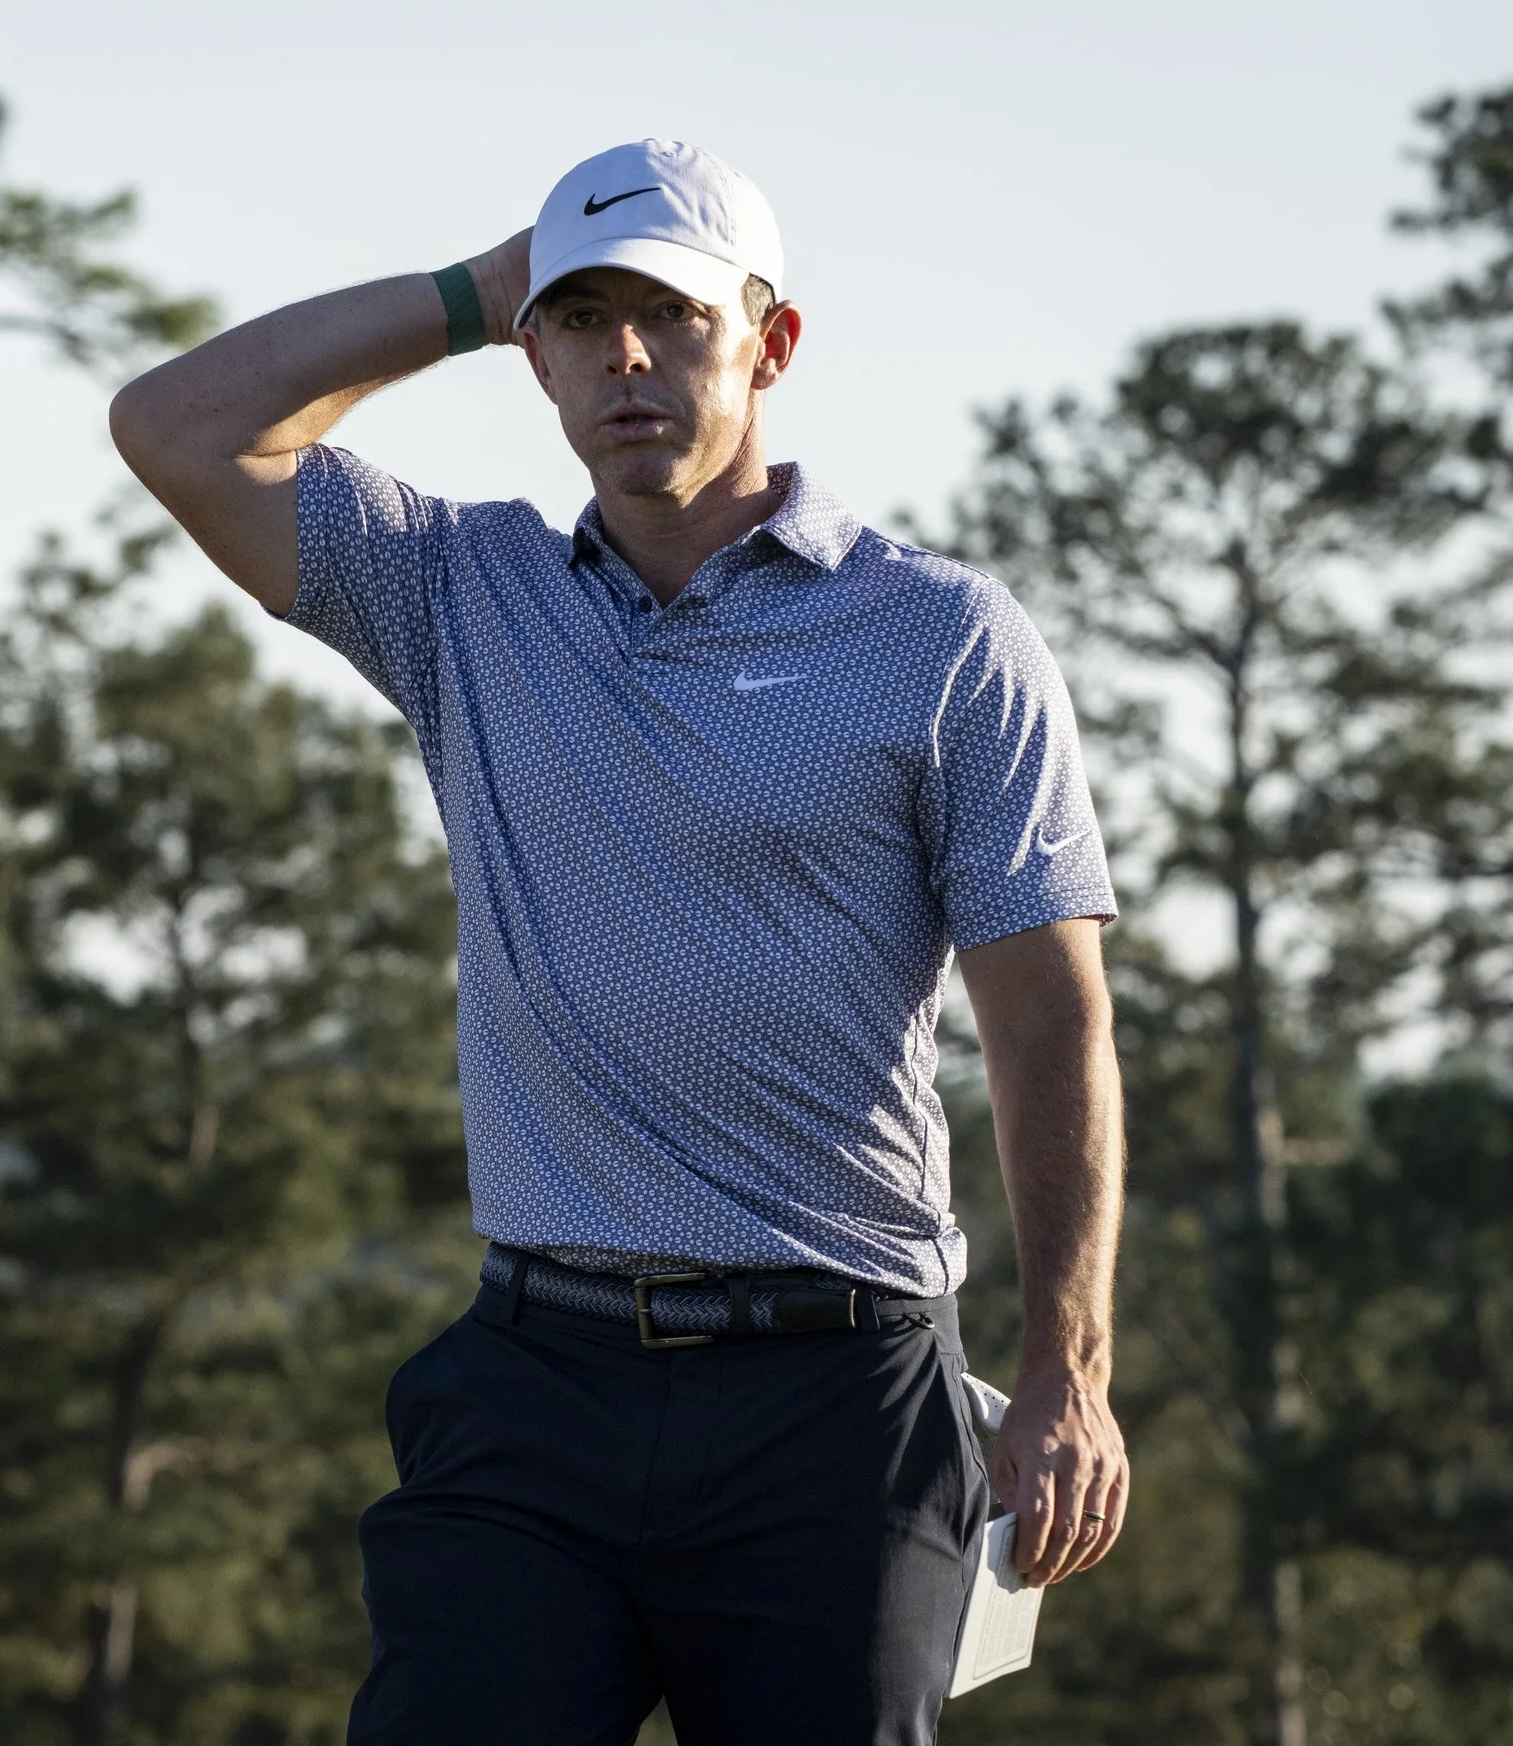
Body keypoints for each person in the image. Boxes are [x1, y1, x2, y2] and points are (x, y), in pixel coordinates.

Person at [107, 137, 1128, 1746]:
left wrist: (1067, 1367)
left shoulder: (942, 639)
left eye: (668, 314)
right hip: (537, 1390)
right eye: (583, 321)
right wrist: (471, 293)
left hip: (836, 1397)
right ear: (539, 353)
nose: (624, 356)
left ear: (771, 342)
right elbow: (173, 426)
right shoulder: (461, 593)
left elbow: (1051, 1019)